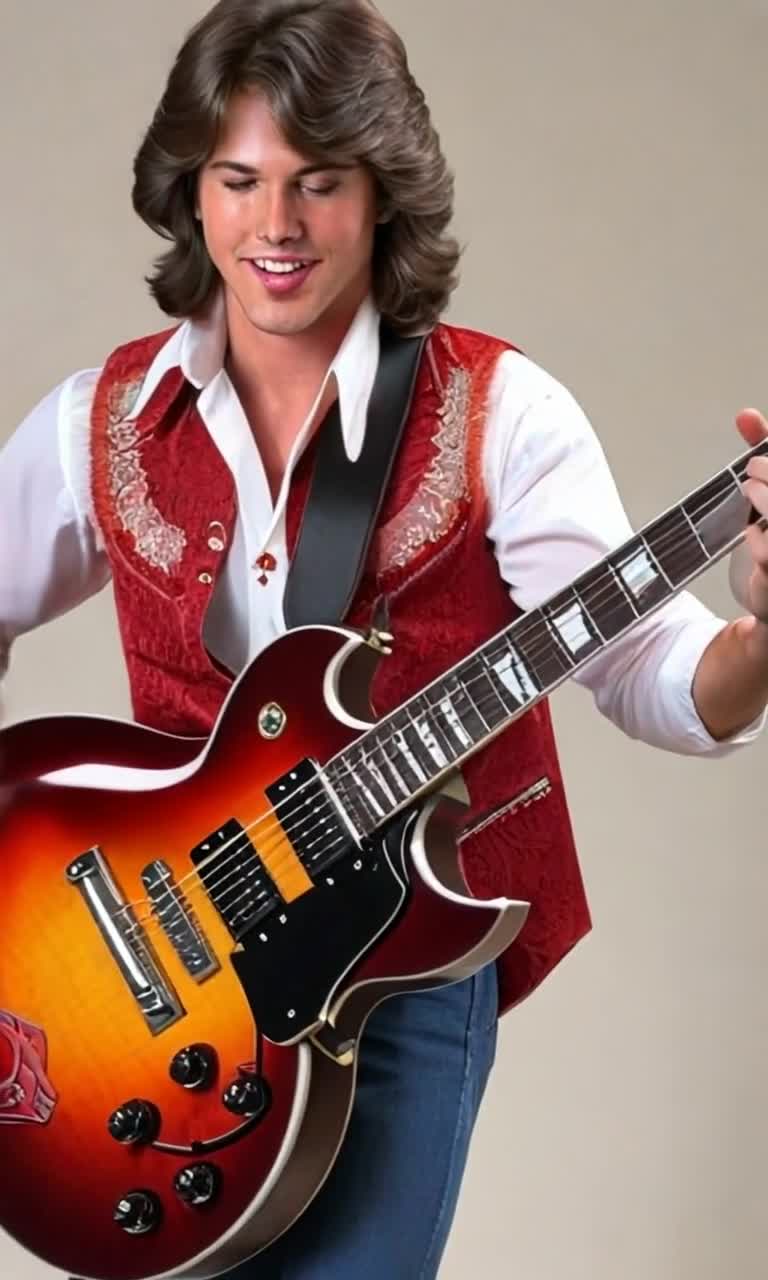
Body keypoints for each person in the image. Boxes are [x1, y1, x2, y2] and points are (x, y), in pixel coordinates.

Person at [1, 1, 767, 1276]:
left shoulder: (498, 409)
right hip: (142, 977)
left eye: (320, 183)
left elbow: (655, 671)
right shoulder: (105, 419)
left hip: (399, 967)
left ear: (382, 191)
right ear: (191, 193)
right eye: (239, 180)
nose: (277, 225)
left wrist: (762, 629)